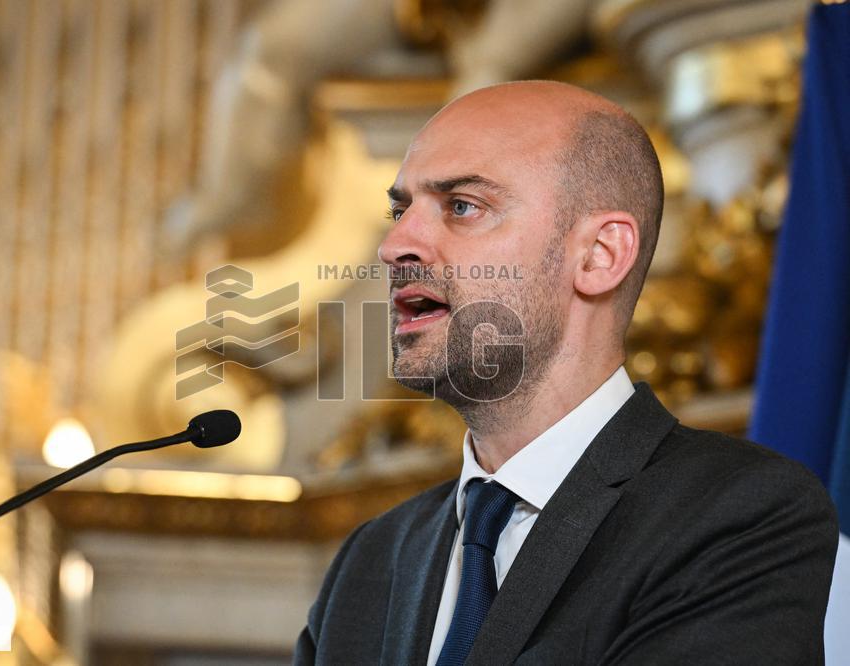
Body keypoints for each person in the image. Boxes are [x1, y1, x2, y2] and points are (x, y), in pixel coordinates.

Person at [294, 81, 839, 665]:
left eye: (461, 206)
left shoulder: (738, 517)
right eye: (400, 210)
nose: (395, 244)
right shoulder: (370, 560)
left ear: (600, 255)